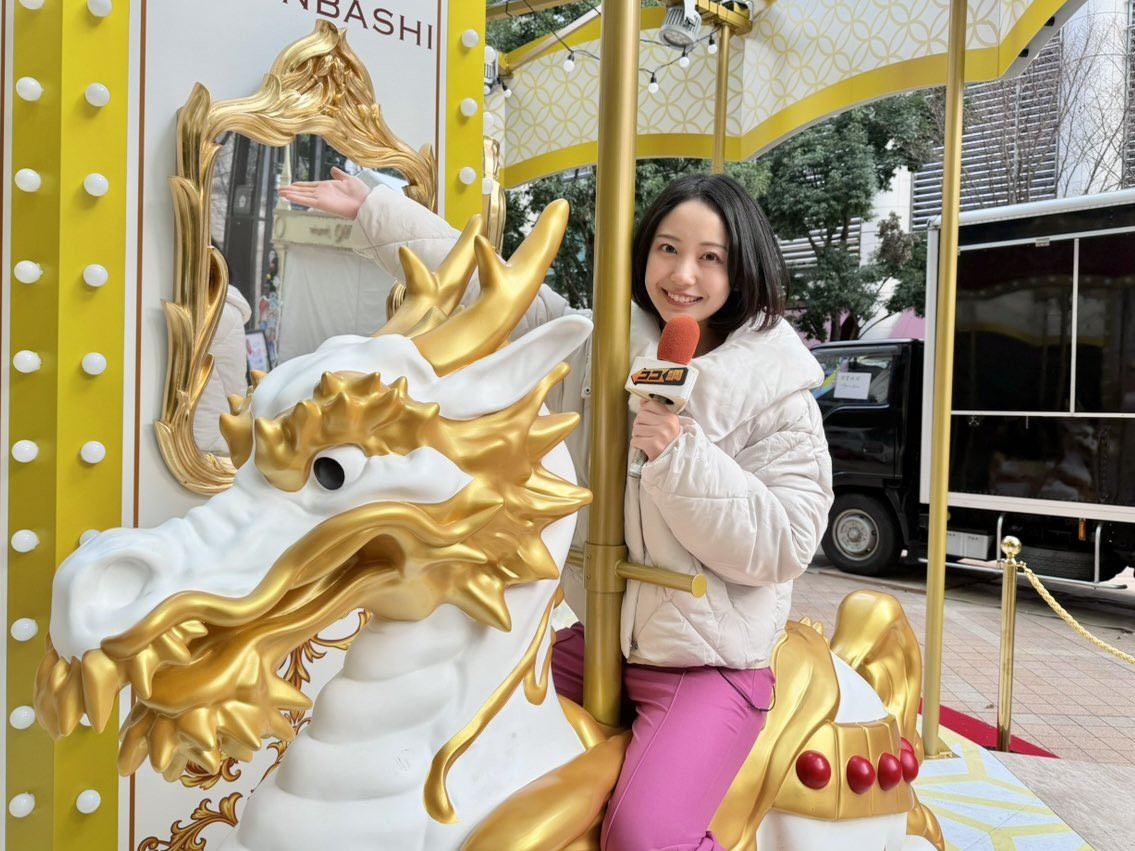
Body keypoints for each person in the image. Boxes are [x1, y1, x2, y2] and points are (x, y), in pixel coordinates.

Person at [279, 169, 834, 851]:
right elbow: (493, 290)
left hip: (707, 661)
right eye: (667, 248)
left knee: (644, 836)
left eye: (709, 257)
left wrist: (678, 455)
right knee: (453, 737)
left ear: (742, 267)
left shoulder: (780, 397)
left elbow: (784, 544)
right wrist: (376, 209)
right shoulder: (606, 348)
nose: (682, 274)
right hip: (601, 637)